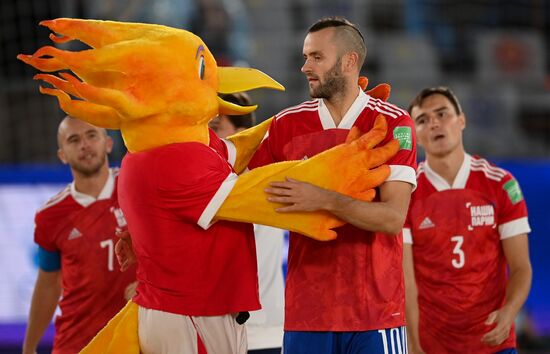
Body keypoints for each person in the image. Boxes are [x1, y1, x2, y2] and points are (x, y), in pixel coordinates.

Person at [248, 16, 418, 354]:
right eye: (305, 56)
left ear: (349, 61)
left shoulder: (393, 123)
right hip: (306, 312)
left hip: (376, 313)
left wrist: (321, 198)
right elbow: (247, 198)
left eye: (316, 57)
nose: (304, 67)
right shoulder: (286, 125)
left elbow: (391, 219)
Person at [403, 87, 533, 354]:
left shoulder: (500, 184)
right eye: (423, 120)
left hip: (493, 343)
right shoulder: (406, 190)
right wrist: (413, 344)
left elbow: (521, 267)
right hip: (432, 346)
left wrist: (509, 313)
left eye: (442, 114)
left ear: (461, 120)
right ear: (415, 134)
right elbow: (406, 281)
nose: (435, 124)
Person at [22, 116, 136, 354]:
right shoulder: (50, 215)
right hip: (78, 340)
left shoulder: (136, 187)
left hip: (136, 333)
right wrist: (29, 347)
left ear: (108, 143)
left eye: (91, 135)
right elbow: (48, 283)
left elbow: (173, 247)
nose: (84, 144)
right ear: (62, 155)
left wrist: (150, 286)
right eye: (74, 140)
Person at [210, 92, 286, 354]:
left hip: (265, 335)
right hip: (213, 331)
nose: (207, 139)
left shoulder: (269, 180)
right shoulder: (200, 186)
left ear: (242, 135)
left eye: (215, 129)